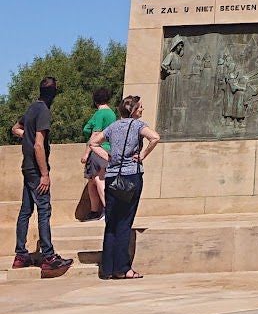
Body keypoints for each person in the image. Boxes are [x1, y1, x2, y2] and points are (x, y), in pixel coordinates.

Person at [12, 75, 73, 278]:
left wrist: (26, 137)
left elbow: (16, 128)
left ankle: (20, 256)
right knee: (43, 210)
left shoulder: (32, 108)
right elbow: (39, 144)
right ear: (54, 92)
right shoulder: (44, 111)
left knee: (25, 211)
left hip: (26, 168)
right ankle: (48, 257)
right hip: (36, 170)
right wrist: (45, 173)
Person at [93, 95, 159, 280]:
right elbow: (155, 137)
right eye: (140, 107)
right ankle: (123, 268)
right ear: (133, 110)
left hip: (112, 177)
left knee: (111, 223)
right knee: (124, 223)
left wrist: (109, 158)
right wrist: (143, 154)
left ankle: (107, 269)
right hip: (131, 176)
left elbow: (93, 143)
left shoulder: (113, 126)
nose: (142, 110)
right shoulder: (138, 125)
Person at [81, 85, 117, 217]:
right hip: (109, 150)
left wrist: (86, 153)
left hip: (98, 150)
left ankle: (108, 211)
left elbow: (95, 135)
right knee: (92, 181)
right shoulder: (112, 113)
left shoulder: (99, 114)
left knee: (99, 179)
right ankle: (94, 210)